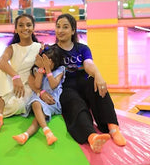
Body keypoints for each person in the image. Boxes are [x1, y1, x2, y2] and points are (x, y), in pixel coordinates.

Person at [51, 13, 126, 153]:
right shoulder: (51, 50)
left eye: (65, 27)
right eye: (58, 27)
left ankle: (112, 127)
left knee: (96, 85)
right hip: (65, 86)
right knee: (74, 102)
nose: (60, 30)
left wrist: (98, 74)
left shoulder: (82, 48)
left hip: (83, 82)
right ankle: (91, 136)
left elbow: (88, 63)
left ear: (73, 30)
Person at [12, 45, 65, 146]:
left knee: (38, 118)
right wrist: (41, 68)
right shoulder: (39, 70)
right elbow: (37, 85)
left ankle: (27, 134)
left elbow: (53, 85)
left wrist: (48, 70)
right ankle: (45, 132)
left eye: (49, 61)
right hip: (39, 98)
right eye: (44, 60)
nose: (46, 64)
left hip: (52, 100)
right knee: (36, 104)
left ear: (56, 62)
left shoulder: (60, 71)